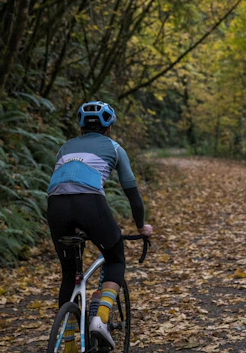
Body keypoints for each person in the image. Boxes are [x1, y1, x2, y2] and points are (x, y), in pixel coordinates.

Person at [47, 100, 153, 350]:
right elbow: (133, 195)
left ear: (81, 126)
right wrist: (140, 227)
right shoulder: (114, 148)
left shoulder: (64, 147)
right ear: (109, 127)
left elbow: (64, 185)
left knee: (69, 274)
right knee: (115, 259)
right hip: (90, 203)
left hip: (56, 207)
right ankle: (101, 317)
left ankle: (71, 342)